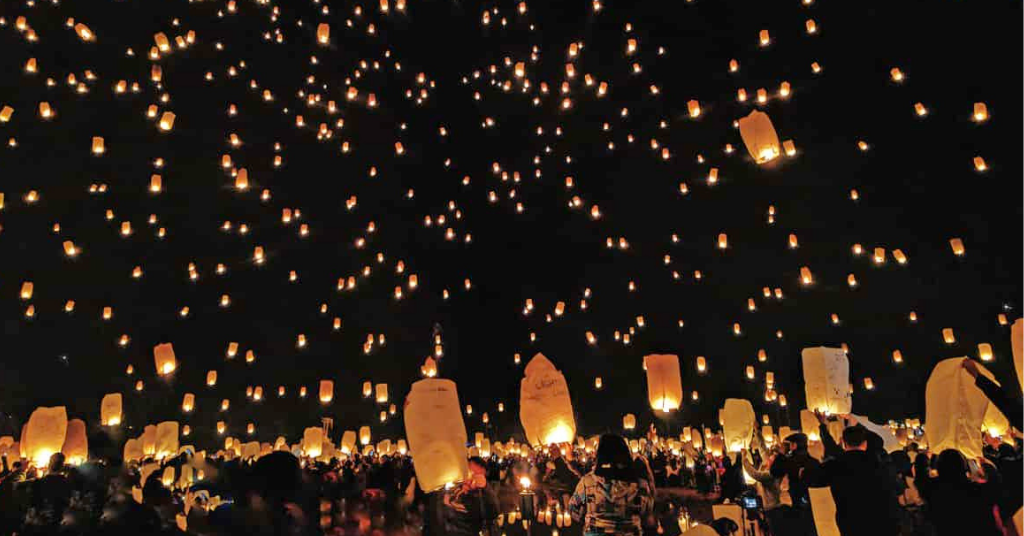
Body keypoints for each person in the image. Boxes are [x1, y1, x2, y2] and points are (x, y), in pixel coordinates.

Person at [803, 423, 901, 536]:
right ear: (865, 443)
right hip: (884, 523)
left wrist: (803, 471)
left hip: (852, 524)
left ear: (844, 444)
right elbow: (896, 488)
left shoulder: (837, 465)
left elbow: (811, 478)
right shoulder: (880, 464)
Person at [568, 434, 654, 536]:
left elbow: (573, 508)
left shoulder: (588, 482)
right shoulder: (640, 484)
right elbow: (647, 511)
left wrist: (589, 519)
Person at [914, 449, 1002, 536]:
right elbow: (995, 482)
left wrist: (924, 456)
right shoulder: (977, 489)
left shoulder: (932, 489)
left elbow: (920, 476)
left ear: (938, 467)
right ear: (963, 466)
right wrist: (984, 463)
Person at [769, 432, 818, 536]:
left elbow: (774, 472)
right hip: (814, 503)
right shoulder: (814, 462)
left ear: (794, 445)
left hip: (797, 501)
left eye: (790, 444)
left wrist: (781, 454)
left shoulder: (790, 461)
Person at [740, 446, 791, 536]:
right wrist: (758, 434)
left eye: (771, 458)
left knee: (774, 532)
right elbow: (764, 453)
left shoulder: (770, 476)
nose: (769, 458)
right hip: (772, 507)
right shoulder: (773, 472)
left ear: (774, 463)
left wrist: (744, 458)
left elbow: (754, 474)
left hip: (771, 509)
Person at [444, 456, 499, 536]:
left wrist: (486, 488)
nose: (471, 479)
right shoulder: (453, 486)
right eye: (469, 472)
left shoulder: (481, 495)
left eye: (476, 476)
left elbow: (494, 512)